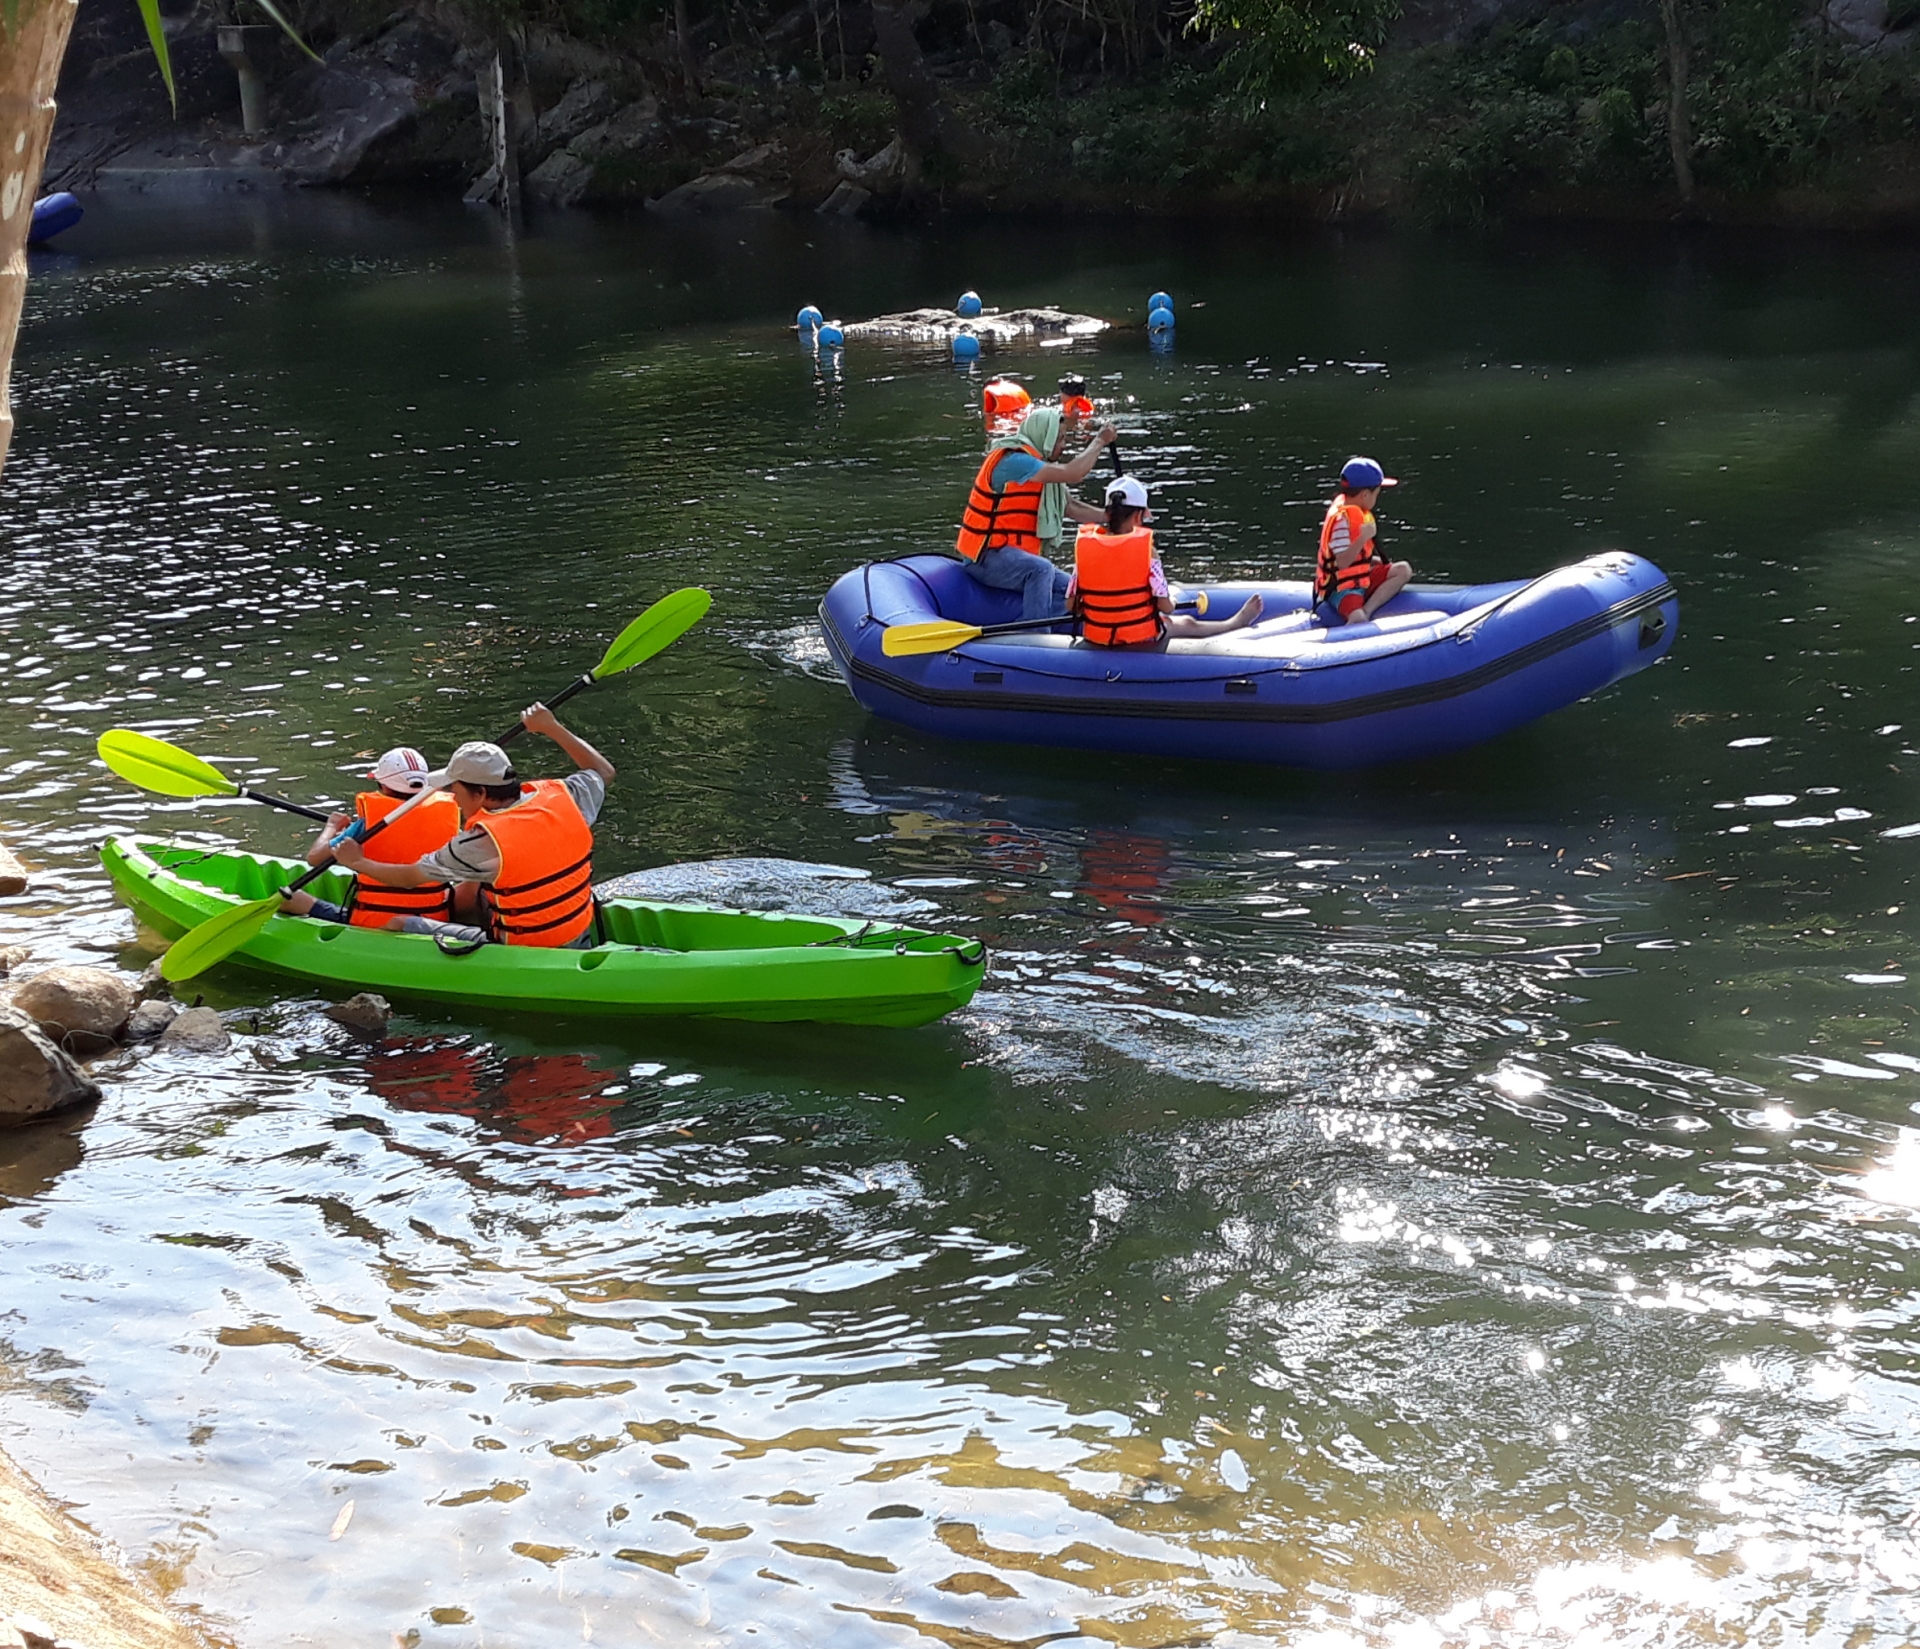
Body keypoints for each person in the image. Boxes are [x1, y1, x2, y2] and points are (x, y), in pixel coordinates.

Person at [287, 705, 615, 950]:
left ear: (482, 793)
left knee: (401, 922)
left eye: (456, 790)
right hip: (578, 928)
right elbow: (603, 770)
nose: (453, 799)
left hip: (527, 950)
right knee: (473, 887)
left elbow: (410, 877)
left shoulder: (481, 841)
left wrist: (357, 862)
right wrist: (552, 727)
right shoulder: (565, 796)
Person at [955, 405, 1117, 621]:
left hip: (1015, 555)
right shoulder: (1015, 461)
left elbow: (1071, 507)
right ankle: (1037, 636)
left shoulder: (1041, 468)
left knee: (1075, 590)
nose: (1063, 444)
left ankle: (1075, 625)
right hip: (986, 556)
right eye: (1059, 439)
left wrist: (1111, 517)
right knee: (1041, 570)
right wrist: (1099, 441)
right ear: (1044, 436)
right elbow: (1073, 473)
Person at [1068, 475, 1263, 646]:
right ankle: (1234, 624)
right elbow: (1166, 607)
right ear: (1139, 515)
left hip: (1098, 636)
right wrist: (1167, 603)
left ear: (1108, 514)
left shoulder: (1083, 548)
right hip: (1139, 637)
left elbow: (1071, 605)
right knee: (1186, 623)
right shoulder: (1148, 552)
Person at [291, 746, 464, 929]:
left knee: (293, 898)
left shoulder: (366, 826)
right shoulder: (447, 820)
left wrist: (332, 827)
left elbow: (315, 858)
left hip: (375, 922)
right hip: (435, 917)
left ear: (383, 786)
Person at [1315, 456, 1411, 625]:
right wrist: (1362, 538)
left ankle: (1368, 609)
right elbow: (1343, 563)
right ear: (1365, 494)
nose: (1376, 499)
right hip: (1341, 587)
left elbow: (1356, 559)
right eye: (1376, 494)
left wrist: (1370, 561)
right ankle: (1359, 619)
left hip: (1361, 577)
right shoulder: (1341, 521)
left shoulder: (1358, 514)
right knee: (1357, 618)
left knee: (1403, 570)